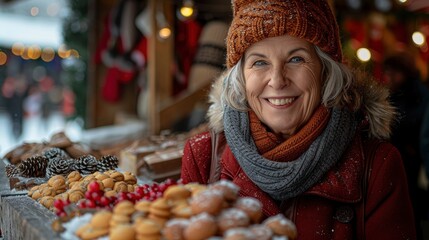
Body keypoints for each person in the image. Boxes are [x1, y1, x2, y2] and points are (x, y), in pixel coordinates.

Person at [180, 0, 416, 239]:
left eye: (296, 59)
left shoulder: (377, 165)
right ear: (240, 78)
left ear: (326, 72)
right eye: (259, 62)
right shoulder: (203, 157)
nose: (277, 80)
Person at [383, 53, 429, 239]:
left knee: (412, 209)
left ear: (404, 73)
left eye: (393, 73)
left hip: (412, 162)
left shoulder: (419, 95)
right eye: (387, 73)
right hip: (396, 160)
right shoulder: (391, 95)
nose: (389, 78)